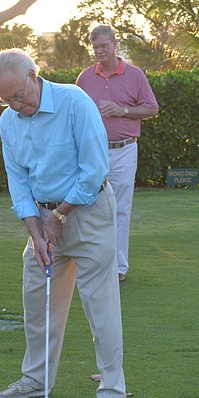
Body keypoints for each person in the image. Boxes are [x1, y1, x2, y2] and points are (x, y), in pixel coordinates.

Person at [0, 49, 127, 398]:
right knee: (38, 298)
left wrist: (59, 216)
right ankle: (36, 379)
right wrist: (36, 232)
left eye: (20, 95)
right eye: (7, 100)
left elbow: (94, 169)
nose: (17, 105)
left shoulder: (74, 101)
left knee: (99, 305)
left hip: (89, 211)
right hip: (45, 216)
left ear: (34, 76)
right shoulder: (9, 121)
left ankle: (112, 394)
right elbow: (18, 181)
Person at [76, 25, 158, 282]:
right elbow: (75, 111)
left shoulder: (134, 75)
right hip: (93, 151)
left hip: (124, 150)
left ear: (114, 44)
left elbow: (151, 108)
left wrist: (122, 110)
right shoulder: (85, 77)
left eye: (103, 46)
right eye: (95, 47)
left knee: (120, 208)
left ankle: (118, 268)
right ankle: (92, 262)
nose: (99, 51)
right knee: (88, 206)